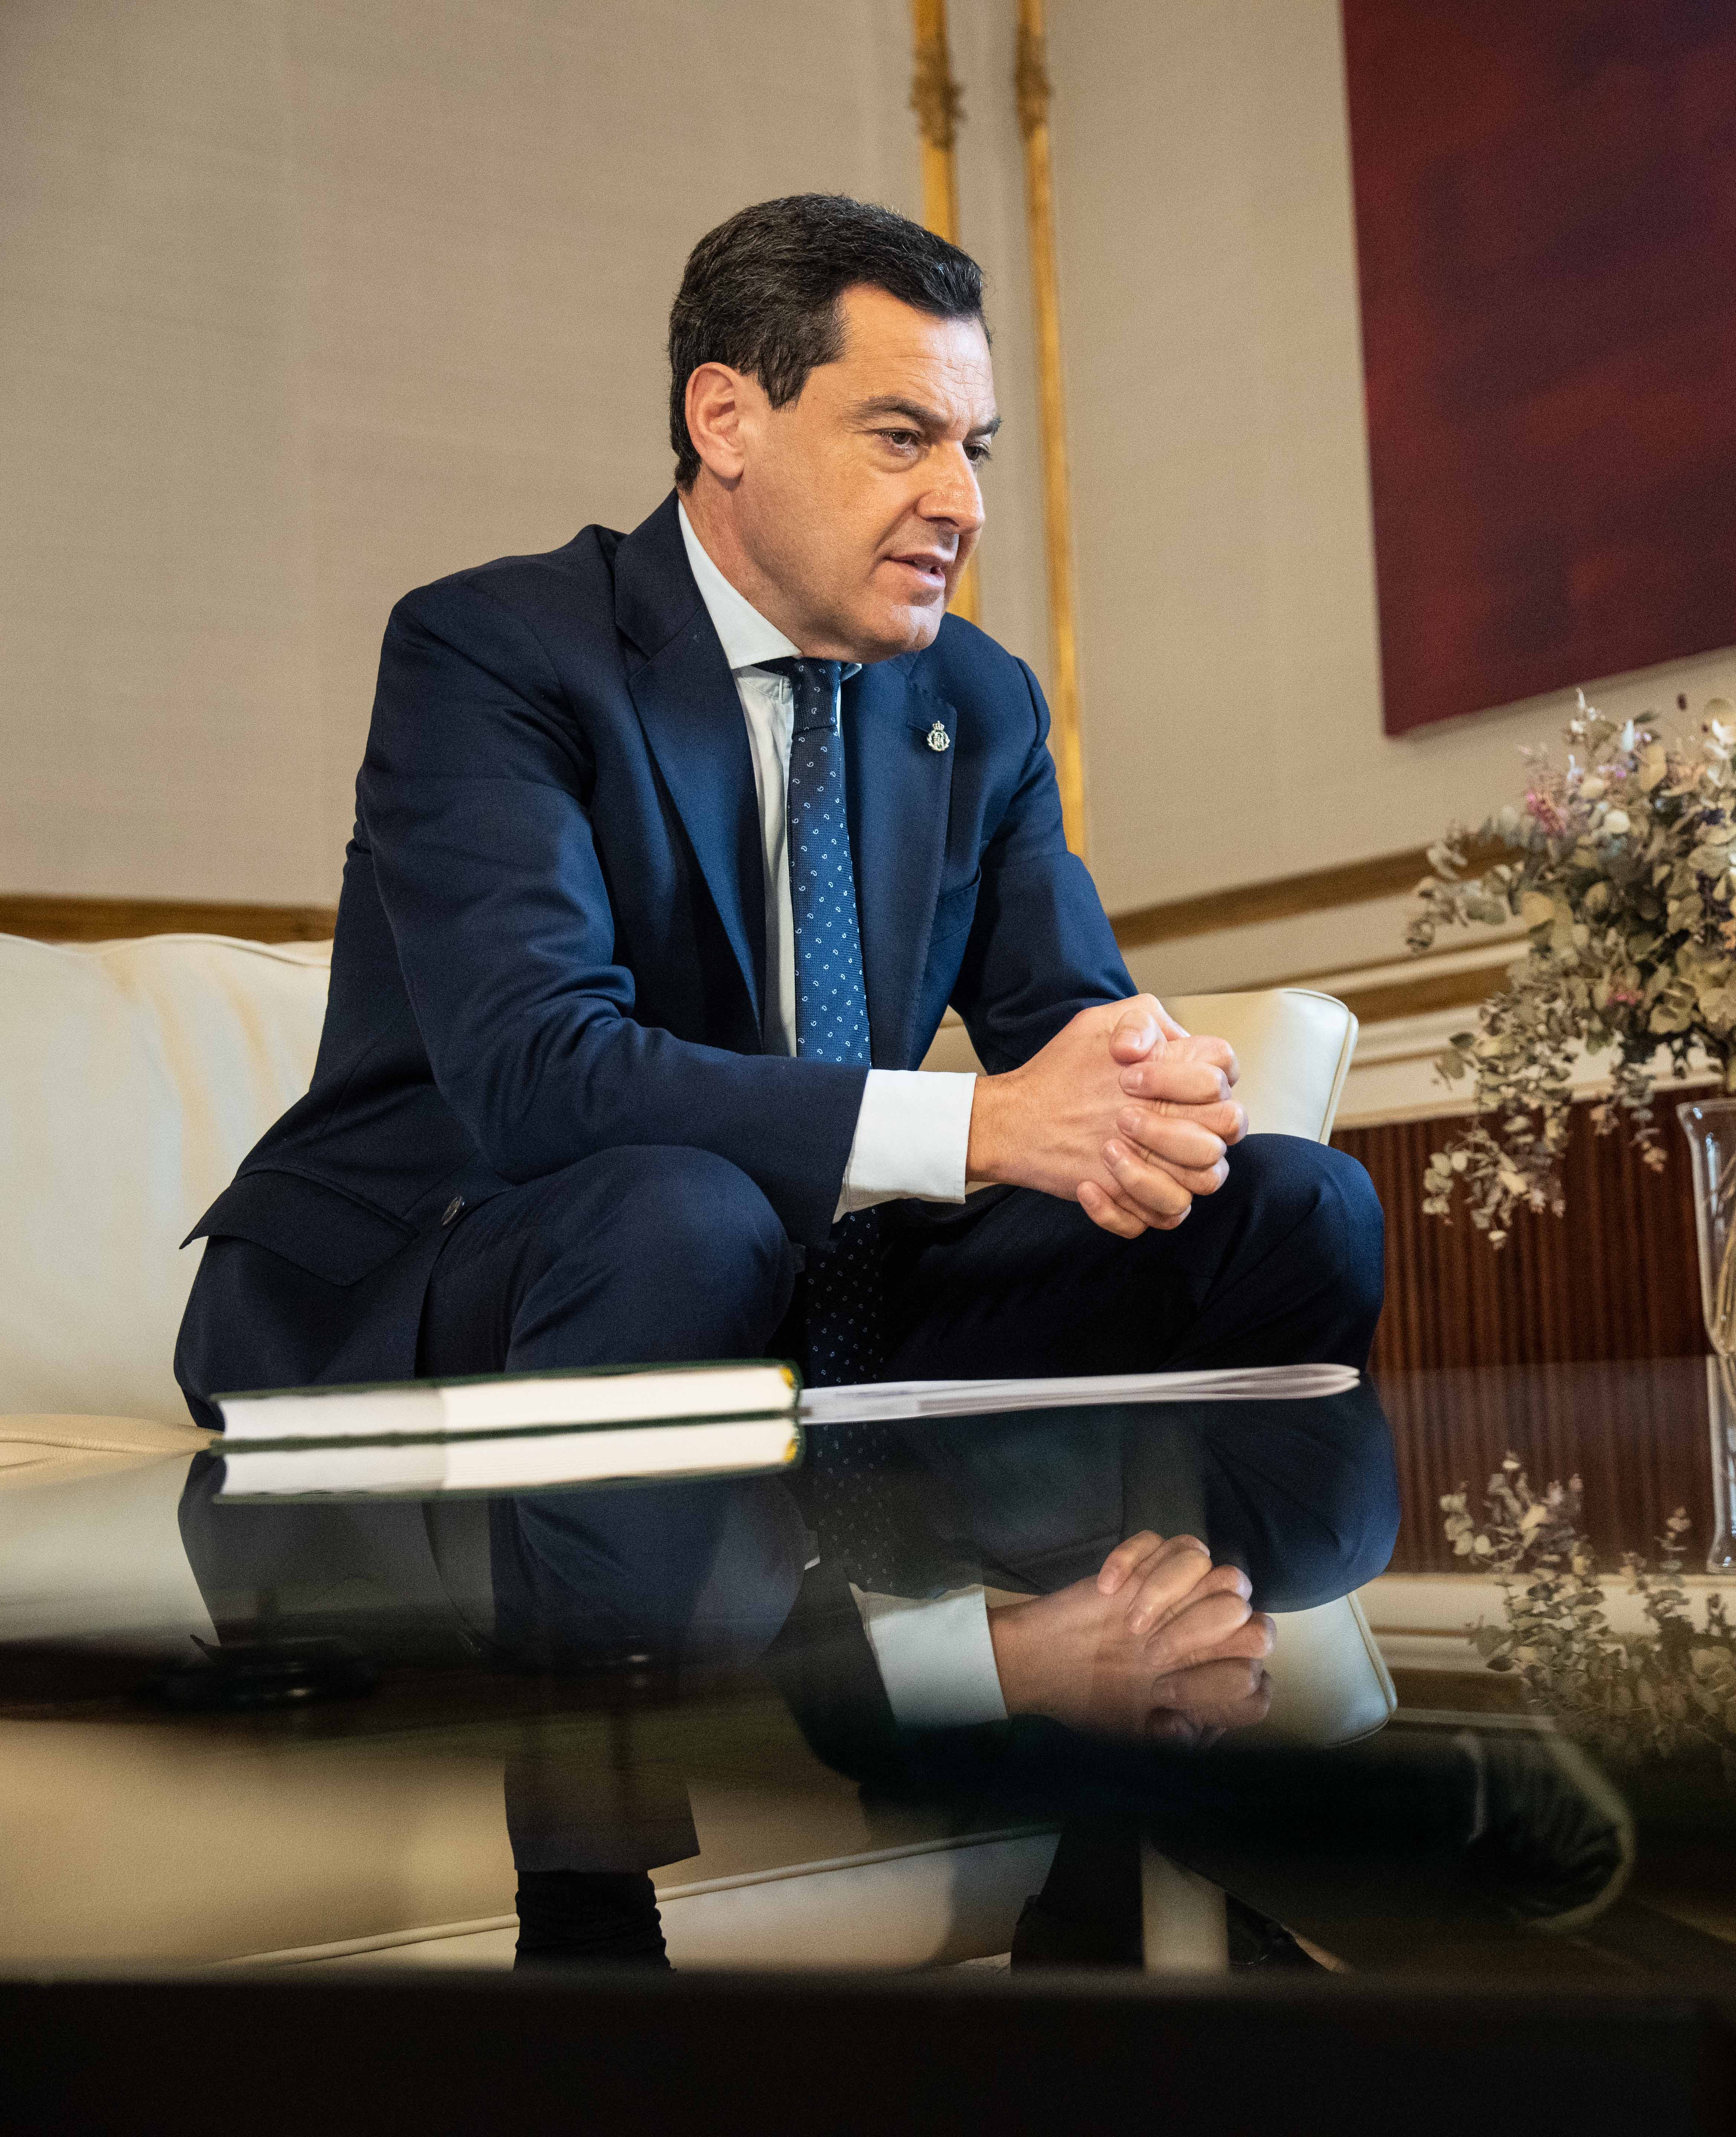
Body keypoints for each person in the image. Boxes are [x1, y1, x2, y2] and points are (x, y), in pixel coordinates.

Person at [173, 194, 1385, 1742]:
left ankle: (1168, 1757)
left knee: (1295, 1209)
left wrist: (1159, 1090)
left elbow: (1069, 1017)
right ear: (727, 417)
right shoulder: (496, 653)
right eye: (903, 436)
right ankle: (736, 1795)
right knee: (684, 1211)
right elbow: (540, 1078)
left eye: (978, 448)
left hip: (794, 1298)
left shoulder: (979, 701)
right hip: (449, 1267)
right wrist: (980, 1128)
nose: (963, 497)